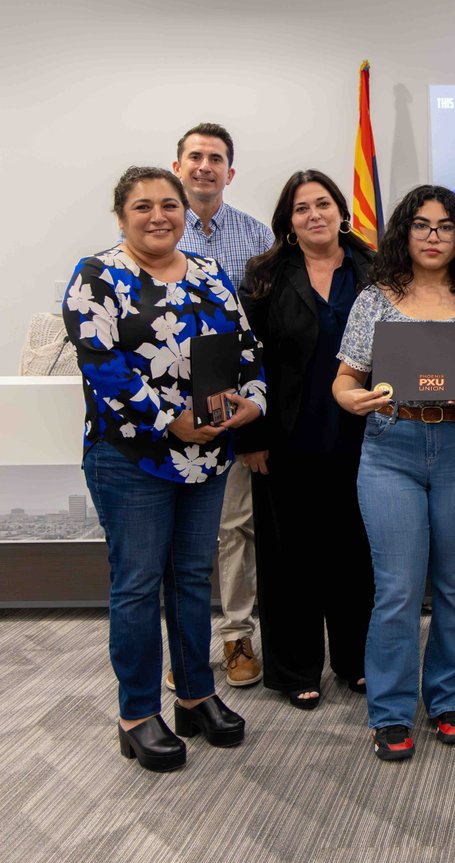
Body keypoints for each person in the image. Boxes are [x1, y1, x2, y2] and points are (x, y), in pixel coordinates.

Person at [63, 166, 266, 771]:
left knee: (191, 581)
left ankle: (196, 696)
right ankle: (137, 714)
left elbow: (247, 350)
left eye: (169, 205)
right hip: (133, 456)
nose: (159, 215)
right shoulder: (98, 275)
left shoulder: (208, 273)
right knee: (137, 585)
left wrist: (251, 400)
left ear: (185, 211)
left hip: (207, 455)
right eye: (143, 205)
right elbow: (101, 364)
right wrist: (169, 419)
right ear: (121, 214)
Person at [333, 185, 455, 762]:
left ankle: (450, 700)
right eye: (421, 225)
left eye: (445, 227)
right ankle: (389, 712)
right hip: (391, 448)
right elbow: (344, 381)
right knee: (399, 589)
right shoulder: (375, 299)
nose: (433, 236)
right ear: (403, 234)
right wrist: (354, 401)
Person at [238, 171, 376, 710]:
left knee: (355, 555)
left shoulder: (375, 269)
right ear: (289, 222)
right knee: (289, 559)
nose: (314, 214)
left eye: (323, 204)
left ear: (342, 211)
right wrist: (249, 436)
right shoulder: (267, 275)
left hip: (364, 438)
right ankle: (296, 666)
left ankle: (356, 660)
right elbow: (246, 359)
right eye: (302, 208)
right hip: (287, 441)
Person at [172, 122, 274, 690]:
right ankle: (183, 650)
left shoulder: (257, 237)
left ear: (230, 173)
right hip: (169, 417)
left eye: (216, 159)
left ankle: (237, 637)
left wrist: (253, 412)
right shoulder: (158, 228)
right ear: (179, 164)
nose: (205, 166)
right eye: (195, 157)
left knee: (235, 526)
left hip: (234, 407)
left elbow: (262, 331)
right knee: (178, 541)